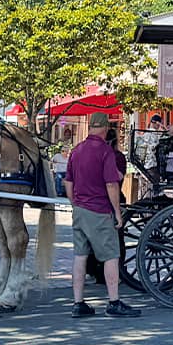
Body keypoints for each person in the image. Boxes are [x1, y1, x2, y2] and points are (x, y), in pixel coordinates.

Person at [64, 111, 140, 318]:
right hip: (99, 210)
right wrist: (117, 212)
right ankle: (114, 302)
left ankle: (78, 303)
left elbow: (68, 182)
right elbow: (111, 185)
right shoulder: (105, 151)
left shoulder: (77, 150)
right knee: (111, 256)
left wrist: (75, 204)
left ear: (90, 127)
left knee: (80, 256)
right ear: (106, 128)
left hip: (80, 210)